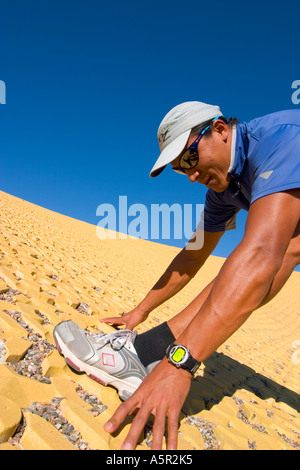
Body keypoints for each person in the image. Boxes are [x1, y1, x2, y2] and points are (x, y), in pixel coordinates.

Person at [54, 101, 300, 450]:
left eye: (188, 159)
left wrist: (179, 365)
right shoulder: (222, 190)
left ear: (219, 129)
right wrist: (140, 312)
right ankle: (143, 352)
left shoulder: (283, 139)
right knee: (271, 253)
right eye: (180, 171)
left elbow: (263, 256)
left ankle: (154, 354)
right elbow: (193, 255)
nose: (192, 176)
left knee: (273, 250)